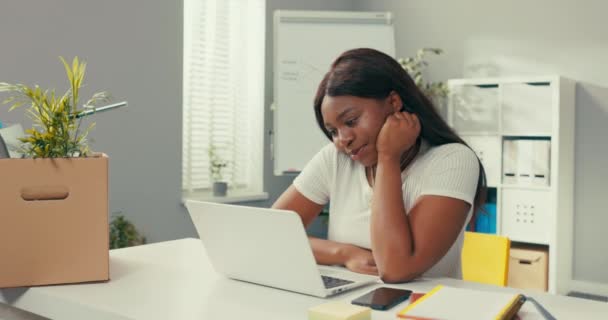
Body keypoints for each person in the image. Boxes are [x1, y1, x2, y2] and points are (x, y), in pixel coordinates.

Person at [272, 48, 486, 283]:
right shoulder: (335, 158)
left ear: (394, 102)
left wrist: (388, 158)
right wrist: (343, 253)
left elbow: (395, 268)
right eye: (333, 131)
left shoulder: (453, 161)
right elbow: (269, 231)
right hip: (348, 308)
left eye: (351, 121)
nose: (343, 139)